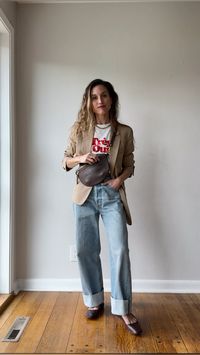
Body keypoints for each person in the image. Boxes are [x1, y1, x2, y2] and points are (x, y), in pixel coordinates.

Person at [62, 79, 142, 336]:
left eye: (104, 96)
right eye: (94, 97)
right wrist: (81, 158)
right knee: (86, 250)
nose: (99, 101)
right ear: (89, 101)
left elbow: (130, 164)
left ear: (111, 99)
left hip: (111, 195)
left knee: (119, 249)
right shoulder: (79, 129)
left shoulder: (125, 132)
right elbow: (64, 160)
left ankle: (122, 307)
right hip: (84, 195)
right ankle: (94, 301)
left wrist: (119, 180)